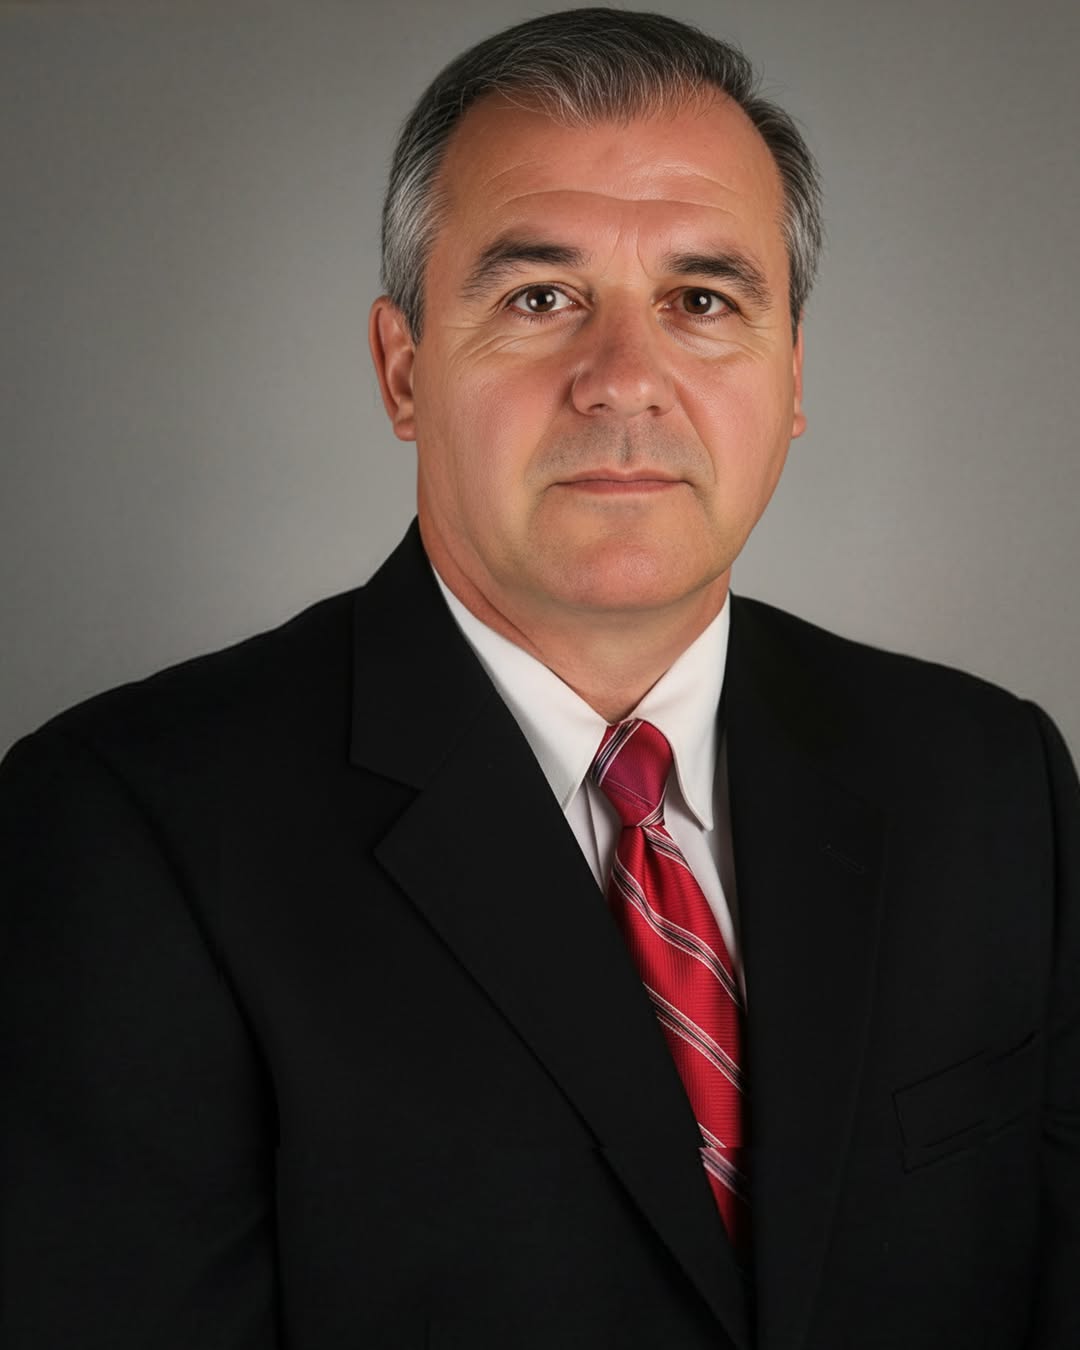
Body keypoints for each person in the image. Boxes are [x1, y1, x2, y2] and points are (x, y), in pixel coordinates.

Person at [2, 8, 1077, 1348]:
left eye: (701, 301)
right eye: (540, 298)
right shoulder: (121, 830)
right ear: (404, 370)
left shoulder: (991, 782)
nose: (624, 381)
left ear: (793, 377)